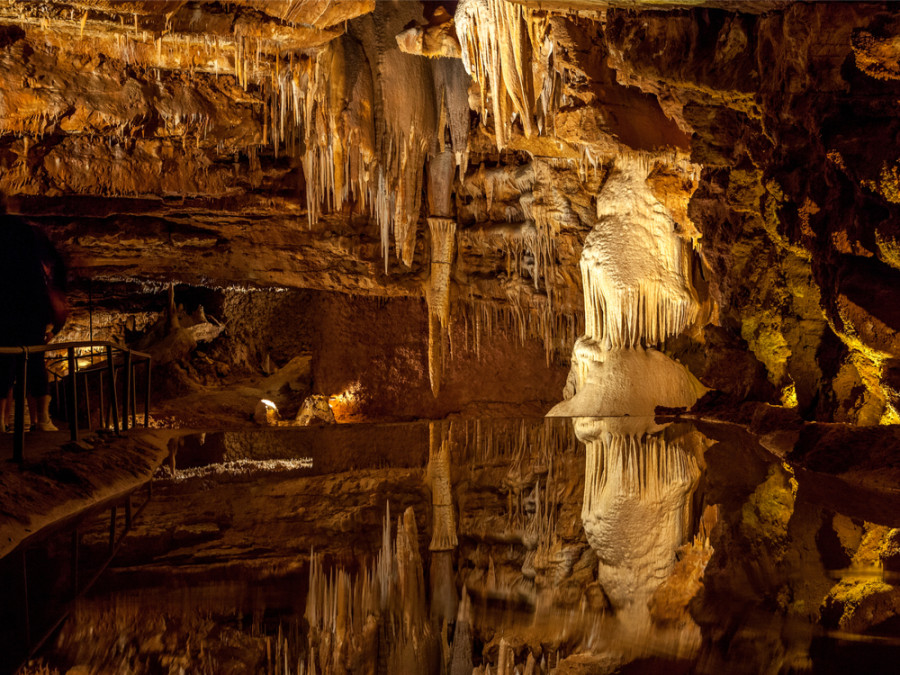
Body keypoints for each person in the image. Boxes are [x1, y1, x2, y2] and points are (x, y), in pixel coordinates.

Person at [0, 196, 68, 433]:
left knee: (3, 363)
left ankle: (1, 421)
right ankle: (41, 420)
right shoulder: (32, 234)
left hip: (4, 309)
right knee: (35, 363)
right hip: (31, 308)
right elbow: (56, 267)